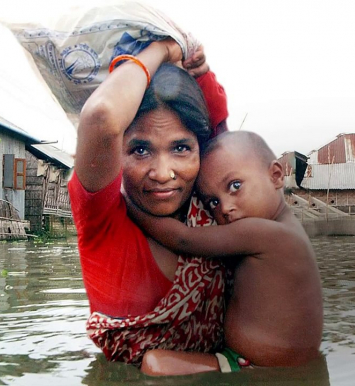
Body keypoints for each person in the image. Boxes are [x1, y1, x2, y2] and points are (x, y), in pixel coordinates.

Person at [67, 38, 231, 367]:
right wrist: (164, 49)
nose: (163, 173)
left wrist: (195, 68)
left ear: (201, 151)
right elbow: (102, 116)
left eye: (181, 148)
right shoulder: (101, 220)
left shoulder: (216, 204)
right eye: (140, 150)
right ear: (117, 152)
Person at [126, 131, 324, 375]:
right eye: (213, 203)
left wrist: (130, 203)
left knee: (153, 364)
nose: (226, 208)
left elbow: (182, 239)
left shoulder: (264, 232)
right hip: (284, 365)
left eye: (235, 186)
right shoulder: (288, 231)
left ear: (275, 176)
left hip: (257, 368)